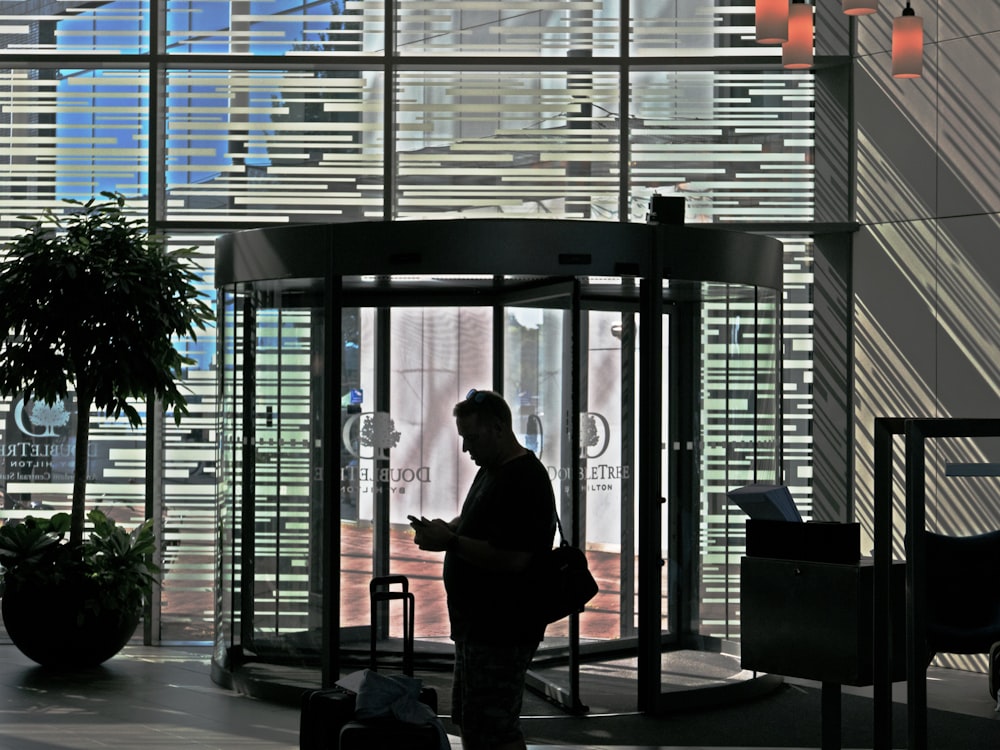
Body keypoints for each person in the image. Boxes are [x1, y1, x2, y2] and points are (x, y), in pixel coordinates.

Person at [410, 388, 556, 750]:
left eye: (471, 438)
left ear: (498, 428)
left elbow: (513, 558)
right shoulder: (493, 470)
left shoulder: (524, 479)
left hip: (501, 628)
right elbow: (478, 521)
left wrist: (451, 542)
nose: (466, 449)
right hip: (479, 627)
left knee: (493, 730)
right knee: (476, 724)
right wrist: (451, 529)